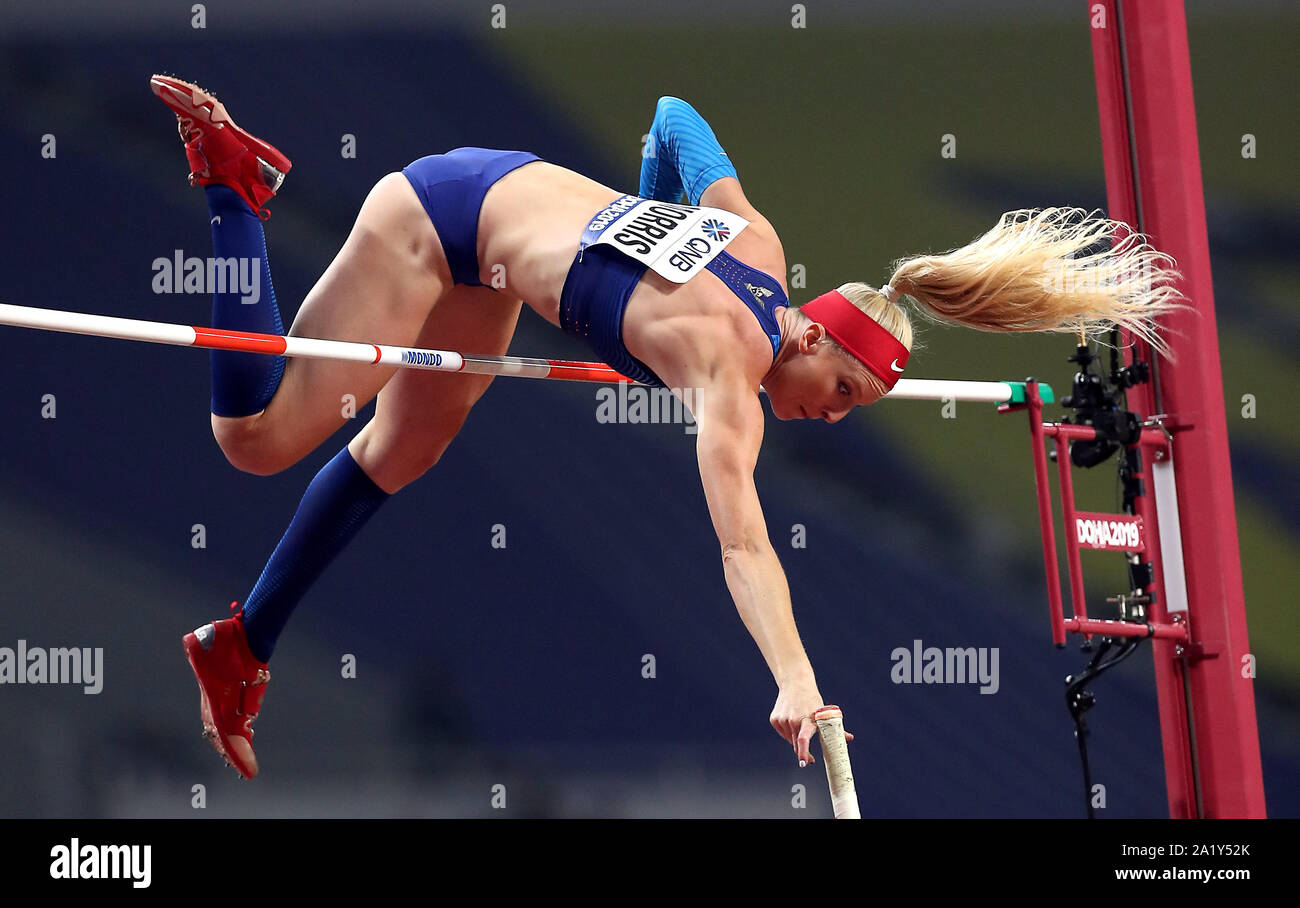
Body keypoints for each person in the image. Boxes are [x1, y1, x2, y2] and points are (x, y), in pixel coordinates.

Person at [153, 75, 1182, 781]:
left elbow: (673, 115)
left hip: (497, 227)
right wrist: (795, 679)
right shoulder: (726, 372)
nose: (833, 414)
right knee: (253, 436)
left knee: (407, 446)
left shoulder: (761, 243)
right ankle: (235, 191)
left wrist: (633, 230)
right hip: (434, 218)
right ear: (817, 342)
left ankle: (242, 642)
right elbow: (743, 545)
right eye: (843, 394)